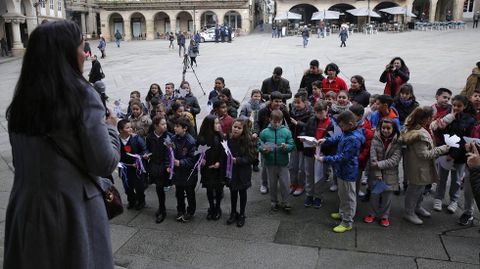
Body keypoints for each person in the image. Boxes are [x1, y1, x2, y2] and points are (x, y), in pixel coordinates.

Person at [3, 20, 119, 268]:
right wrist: (111, 128)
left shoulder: (22, 99)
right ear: (66, 53)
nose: (85, 55)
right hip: (71, 212)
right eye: (81, 48)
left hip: (27, 208)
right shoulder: (82, 96)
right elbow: (104, 162)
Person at [318, 111, 365, 233]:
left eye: (342, 126)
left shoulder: (353, 139)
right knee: (343, 195)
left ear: (350, 124)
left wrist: (324, 159)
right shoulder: (348, 132)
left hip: (348, 172)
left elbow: (343, 158)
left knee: (349, 198)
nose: (341, 128)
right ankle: (343, 213)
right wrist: (326, 140)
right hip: (342, 171)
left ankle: (347, 222)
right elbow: (339, 137)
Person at [401, 106, 450, 225]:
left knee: (420, 189)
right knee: (414, 190)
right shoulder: (419, 134)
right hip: (418, 167)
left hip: (421, 167)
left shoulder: (421, 128)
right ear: (426, 119)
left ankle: (417, 207)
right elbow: (424, 154)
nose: (433, 119)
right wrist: (443, 149)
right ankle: (409, 212)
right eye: (431, 117)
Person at [430, 95, 475, 213]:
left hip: (459, 156)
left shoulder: (469, 120)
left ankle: (454, 201)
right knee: (441, 178)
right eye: (454, 105)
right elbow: (441, 135)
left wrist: (454, 155)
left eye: (459, 106)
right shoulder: (448, 116)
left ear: (464, 106)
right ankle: (438, 198)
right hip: (445, 152)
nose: (455, 108)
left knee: (456, 180)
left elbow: (465, 140)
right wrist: (441, 128)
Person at [364, 118, 402, 227]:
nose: (385, 130)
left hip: (390, 174)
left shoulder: (398, 141)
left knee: (387, 197)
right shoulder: (375, 139)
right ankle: (372, 213)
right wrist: (377, 173)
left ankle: (385, 216)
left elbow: (395, 160)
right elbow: (373, 158)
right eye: (383, 128)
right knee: (374, 195)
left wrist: (379, 164)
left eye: (388, 128)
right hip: (375, 174)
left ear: (394, 129)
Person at [255, 91, 292, 194]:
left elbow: (288, 123)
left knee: (279, 162)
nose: (278, 104)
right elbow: (257, 123)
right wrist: (256, 133)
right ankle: (264, 183)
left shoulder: (283, 110)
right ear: (270, 100)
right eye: (276, 101)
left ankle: (277, 182)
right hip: (265, 139)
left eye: (280, 101)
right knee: (264, 163)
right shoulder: (262, 111)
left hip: (279, 139)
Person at [258, 109, 295, 212]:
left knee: (285, 183)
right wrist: (263, 149)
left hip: (282, 163)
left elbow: (291, 144)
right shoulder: (264, 132)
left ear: (282, 121)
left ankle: (286, 202)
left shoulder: (286, 132)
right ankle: (274, 201)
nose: (277, 124)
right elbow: (259, 145)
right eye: (275, 122)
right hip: (270, 163)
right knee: (272, 184)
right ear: (270, 120)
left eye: (279, 122)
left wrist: (286, 147)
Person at [301, 101, 334, 208]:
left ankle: (318, 196)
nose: (319, 115)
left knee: (320, 176)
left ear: (327, 110)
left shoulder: (331, 123)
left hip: (322, 153)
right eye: (317, 113)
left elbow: (334, 138)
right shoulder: (311, 120)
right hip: (310, 152)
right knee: (309, 174)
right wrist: (303, 138)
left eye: (321, 112)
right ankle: (309, 195)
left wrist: (325, 141)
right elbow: (304, 131)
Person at [226, 119, 257, 227]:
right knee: (233, 193)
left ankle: (242, 214)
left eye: (239, 128)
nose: (236, 129)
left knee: (242, 193)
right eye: (235, 127)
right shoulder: (228, 139)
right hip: (232, 172)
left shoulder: (247, 141)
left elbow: (251, 158)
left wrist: (237, 160)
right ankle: (233, 212)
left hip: (243, 172)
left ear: (243, 130)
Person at [197, 115, 226, 220]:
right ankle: (211, 207)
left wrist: (219, 162)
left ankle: (218, 208)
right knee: (209, 189)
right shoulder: (202, 138)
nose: (218, 125)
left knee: (218, 189)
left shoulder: (220, 136)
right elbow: (198, 152)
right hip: (207, 168)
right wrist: (201, 159)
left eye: (219, 123)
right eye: (216, 123)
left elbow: (224, 152)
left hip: (218, 168)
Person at [169, 117, 197, 222]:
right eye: (175, 126)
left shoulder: (191, 141)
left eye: (177, 126)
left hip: (188, 173)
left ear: (185, 128)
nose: (175, 128)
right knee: (179, 193)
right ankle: (180, 210)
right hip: (178, 173)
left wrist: (180, 162)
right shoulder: (173, 138)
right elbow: (169, 153)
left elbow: (193, 159)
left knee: (190, 193)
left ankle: (190, 211)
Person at [145, 116, 172, 223]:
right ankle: (161, 208)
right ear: (156, 126)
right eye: (162, 124)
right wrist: (146, 154)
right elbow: (147, 148)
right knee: (158, 187)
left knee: (160, 187)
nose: (165, 126)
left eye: (165, 124)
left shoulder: (168, 137)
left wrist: (167, 166)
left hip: (163, 166)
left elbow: (170, 153)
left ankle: (162, 210)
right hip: (153, 165)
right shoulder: (150, 136)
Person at [118, 119, 148, 210]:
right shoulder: (116, 140)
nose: (130, 129)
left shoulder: (136, 138)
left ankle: (141, 201)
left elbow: (144, 150)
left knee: (139, 186)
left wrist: (141, 159)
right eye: (127, 128)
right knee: (127, 186)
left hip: (137, 167)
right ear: (120, 130)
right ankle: (131, 201)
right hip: (124, 167)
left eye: (131, 127)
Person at [289, 93, 313, 197]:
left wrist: (298, 124)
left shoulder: (310, 113)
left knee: (301, 168)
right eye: (295, 102)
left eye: (298, 102)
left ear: (305, 102)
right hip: (294, 142)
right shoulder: (292, 112)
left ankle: (301, 185)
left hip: (303, 144)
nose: (296, 105)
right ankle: (293, 183)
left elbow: (310, 128)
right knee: (292, 166)